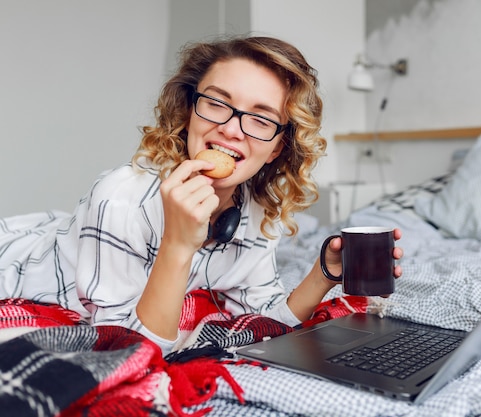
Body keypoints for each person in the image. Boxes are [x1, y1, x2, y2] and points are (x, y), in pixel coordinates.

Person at [0, 36, 403, 355]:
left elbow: (263, 320)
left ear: (277, 147)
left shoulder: (258, 212)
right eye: (216, 103)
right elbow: (128, 349)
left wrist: (324, 274)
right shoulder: (121, 197)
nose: (231, 128)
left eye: (261, 119)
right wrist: (178, 243)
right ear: (190, 110)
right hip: (19, 263)